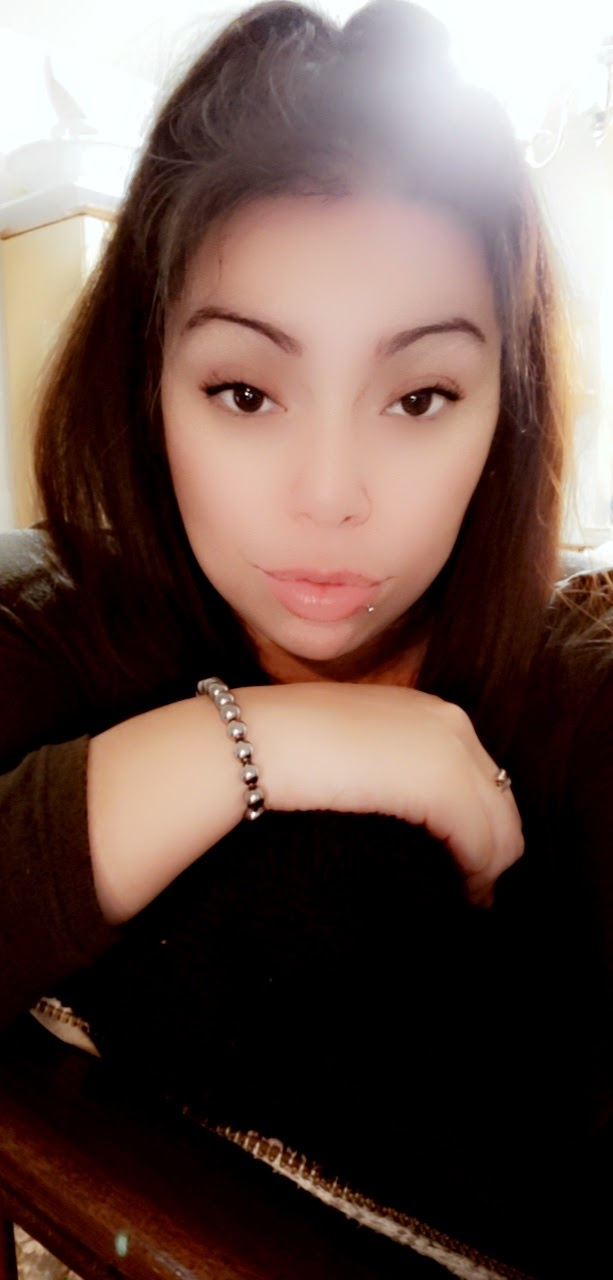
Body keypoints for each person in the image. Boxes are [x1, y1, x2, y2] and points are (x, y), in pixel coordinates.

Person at [0, 1, 611, 1275]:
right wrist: (264, 741)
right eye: (245, 390)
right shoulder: (61, 628)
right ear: (148, 392)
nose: (330, 495)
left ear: (504, 411)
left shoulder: (578, 688)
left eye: (419, 396)